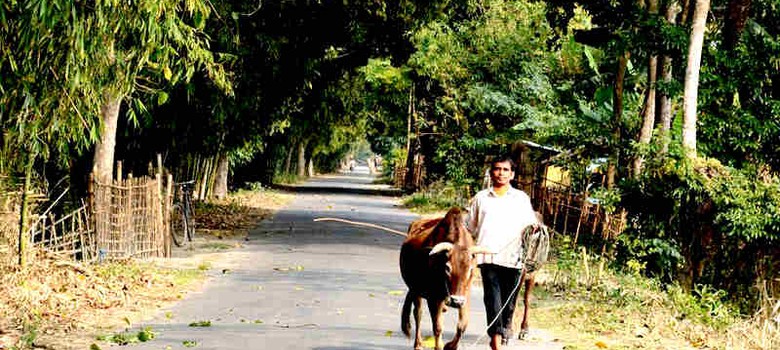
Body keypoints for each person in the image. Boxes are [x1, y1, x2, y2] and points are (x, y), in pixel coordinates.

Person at [466, 155, 539, 349]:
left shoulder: (521, 199)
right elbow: (470, 228)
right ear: (491, 173)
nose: (501, 173)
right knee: (492, 298)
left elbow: (531, 226)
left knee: (509, 301)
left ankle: (504, 327)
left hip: (514, 258)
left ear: (512, 174)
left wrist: (536, 230)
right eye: (497, 169)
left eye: (505, 170)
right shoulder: (481, 198)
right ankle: (495, 338)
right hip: (488, 256)